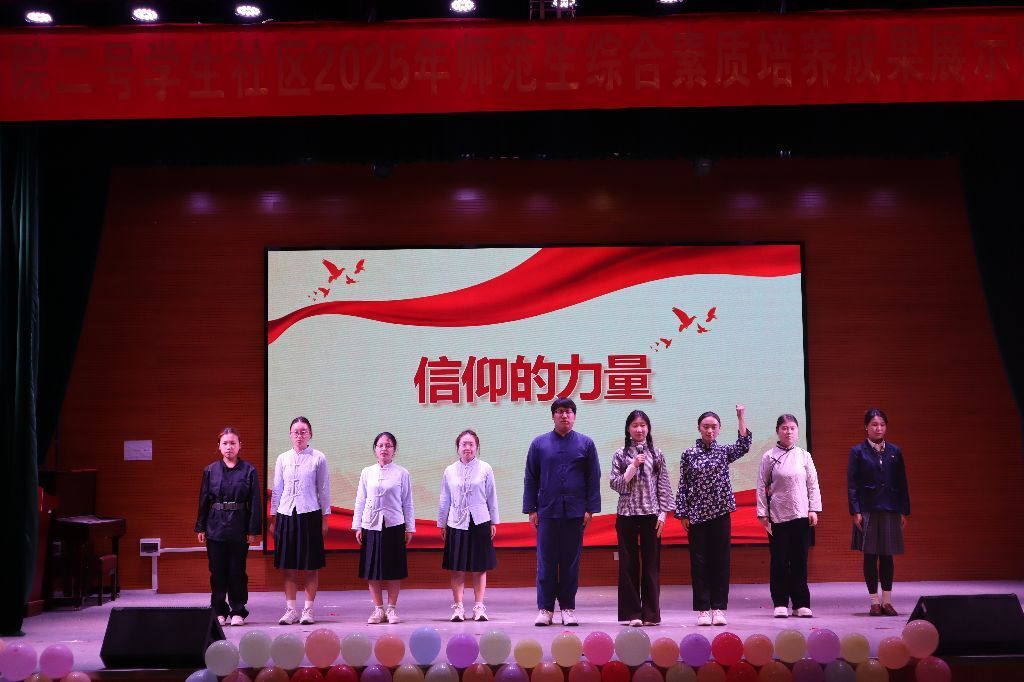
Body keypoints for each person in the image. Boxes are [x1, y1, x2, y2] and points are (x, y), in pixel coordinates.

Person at [523, 397, 601, 627]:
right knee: (546, 561)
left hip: (575, 512)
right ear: (553, 416)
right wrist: (531, 510)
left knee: (570, 562)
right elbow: (531, 478)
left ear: (574, 416)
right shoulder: (539, 444)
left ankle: (568, 608)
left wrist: (590, 509)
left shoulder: (586, 444)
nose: (564, 415)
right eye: (559, 411)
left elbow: (593, 477)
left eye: (568, 411)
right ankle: (545, 609)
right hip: (547, 511)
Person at [675, 404, 751, 627]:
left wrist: (741, 416)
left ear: (719, 429)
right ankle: (702, 610)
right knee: (699, 563)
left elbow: (744, 445)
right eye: (705, 426)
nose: (709, 430)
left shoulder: (723, 452)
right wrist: (683, 513)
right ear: (699, 428)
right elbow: (683, 484)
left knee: (721, 561)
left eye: (714, 427)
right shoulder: (689, 454)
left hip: (720, 513)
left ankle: (718, 608)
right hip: (697, 515)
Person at [609, 410, 674, 627]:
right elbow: (616, 484)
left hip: (651, 516)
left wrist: (663, 514)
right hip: (626, 515)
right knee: (628, 565)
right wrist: (633, 466)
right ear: (628, 429)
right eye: (635, 425)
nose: (639, 429)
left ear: (648, 428)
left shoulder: (657, 454)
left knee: (651, 565)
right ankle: (632, 614)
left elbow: (663, 485)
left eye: (643, 425)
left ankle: (651, 614)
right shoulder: (620, 454)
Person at [756, 414, 821, 619]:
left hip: (801, 514)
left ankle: (801, 603)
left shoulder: (804, 455)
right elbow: (761, 485)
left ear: (798, 431)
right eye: (784, 428)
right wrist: (762, 513)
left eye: (792, 428)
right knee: (780, 561)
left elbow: (813, 484)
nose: (788, 432)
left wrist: (813, 509)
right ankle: (780, 603)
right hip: (777, 516)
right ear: (778, 431)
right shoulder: (769, 457)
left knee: (800, 560)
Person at [195, 427, 262, 626]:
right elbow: (203, 500)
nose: (229, 447)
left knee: (237, 571)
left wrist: (252, 530)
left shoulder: (249, 470)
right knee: (217, 571)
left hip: (239, 526)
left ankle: (238, 610)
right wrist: (200, 527)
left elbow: (255, 502)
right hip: (215, 526)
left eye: (233, 443)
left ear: (240, 445)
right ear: (219, 446)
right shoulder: (210, 470)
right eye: (225, 443)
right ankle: (218, 610)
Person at [847, 408, 910, 616]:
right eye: (874, 424)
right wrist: (856, 511)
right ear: (866, 427)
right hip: (868, 509)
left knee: (887, 557)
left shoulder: (895, 451)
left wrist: (903, 510)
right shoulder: (858, 451)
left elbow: (902, 483)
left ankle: (887, 602)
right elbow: (852, 484)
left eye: (882, 424)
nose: (878, 428)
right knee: (870, 556)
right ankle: (874, 602)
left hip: (891, 509)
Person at [271, 416, 331, 626]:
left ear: (310, 434)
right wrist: (273, 517)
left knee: (310, 566)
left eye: (303, 432)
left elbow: (323, 489)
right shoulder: (282, 458)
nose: (299, 435)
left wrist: (325, 518)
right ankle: (291, 610)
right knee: (289, 566)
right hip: (286, 514)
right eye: (296, 432)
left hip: (310, 514)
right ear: (290, 435)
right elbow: (277, 489)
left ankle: (308, 609)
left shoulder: (318, 458)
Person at [353, 431, 415, 624]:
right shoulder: (367, 472)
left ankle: (392, 609)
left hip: (394, 524)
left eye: (388, 445)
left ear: (394, 450)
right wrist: (358, 526)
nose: (384, 449)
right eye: (380, 445)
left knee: (394, 569)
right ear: (375, 449)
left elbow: (407, 502)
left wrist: (409, 528)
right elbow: (361, 500)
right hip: (371, 525)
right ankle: (378, 609)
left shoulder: (402, 473)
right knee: (372, 569)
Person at [438, 429, 499, 622]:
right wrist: (442, 523)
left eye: (471, 444)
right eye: (463, 444)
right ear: (458, 447)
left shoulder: (485, 468)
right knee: (457, 567)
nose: (467, 447)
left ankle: (479, 607)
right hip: (456, 522)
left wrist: (493, 521)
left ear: (477, 447)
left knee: (479, 567)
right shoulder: (449, 471)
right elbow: (444, 499)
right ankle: (458, 608)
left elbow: (491, 496)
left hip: (480, 521)